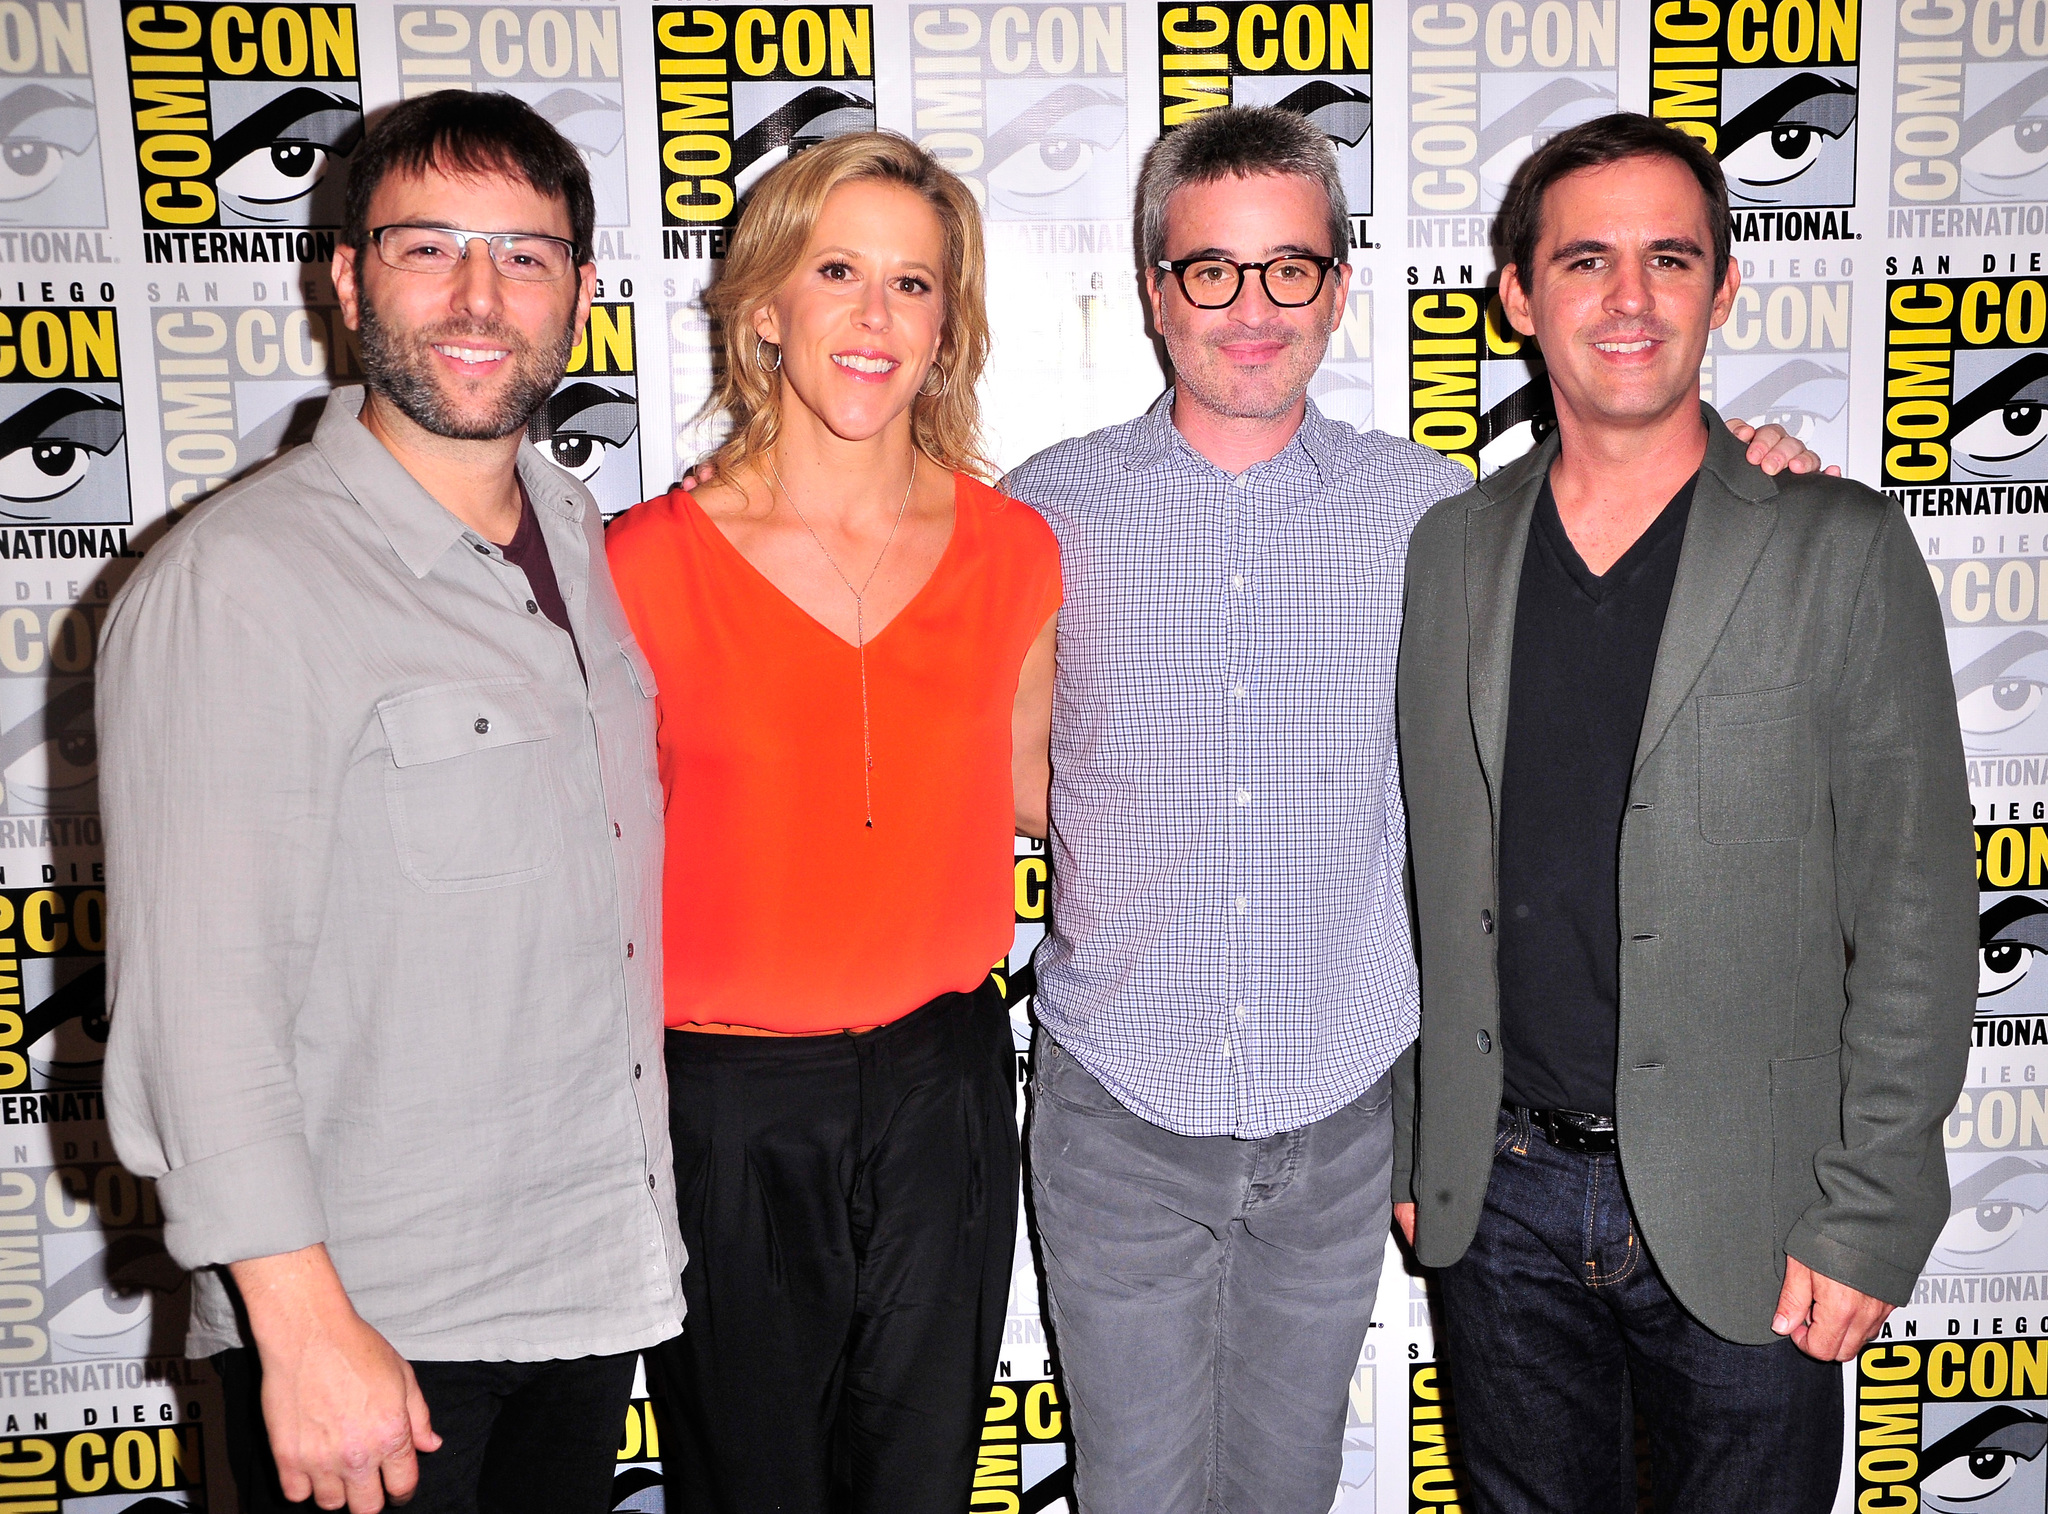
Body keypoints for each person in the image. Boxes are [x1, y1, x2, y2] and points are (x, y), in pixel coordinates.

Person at [999, 105, 1830, 1514]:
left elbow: (1624, 576)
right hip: (1118, 1113)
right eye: (1212, 268)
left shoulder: (1435, 515)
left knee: (1286, 1489)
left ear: (1339, 287)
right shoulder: (1046, 512)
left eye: (1291, 269)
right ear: (1154, 286)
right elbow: (1022, 778)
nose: (1251, 309)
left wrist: (1752, 472)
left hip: (1342, 1121)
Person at [98, 92, 683, 1514]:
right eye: (430, 249)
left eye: (525, 256)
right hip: (374, 1323)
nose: (480, 297)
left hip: (582, 1287)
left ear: (582, 294)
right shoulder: (240, 583)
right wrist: (301, 1329)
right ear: (350, 275)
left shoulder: (582, 536)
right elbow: (201, 1004)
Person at [1394, 112, 1977, 1512]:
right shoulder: (1451, 548)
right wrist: (1425, 1134)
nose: (1630, 296)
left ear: (1722, 289)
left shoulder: (1838, 545)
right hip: (1504, 1195)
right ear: (1520, 296)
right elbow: (1419, 870)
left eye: (1671, 257)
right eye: (1584, 259)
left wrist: (1870, 1208)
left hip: (1755, 1204)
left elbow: (1916, 905)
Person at [605, 133, 1060, 1514]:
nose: (876, 318)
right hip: (727, 1112)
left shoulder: (1014, 548)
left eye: (913, 284)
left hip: (947, 1091)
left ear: (947, 322)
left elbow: (1042, 792)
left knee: (919, 1487)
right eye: (839, 272)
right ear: (763, 307)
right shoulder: (642, 564)